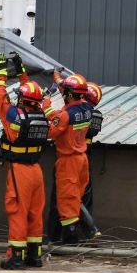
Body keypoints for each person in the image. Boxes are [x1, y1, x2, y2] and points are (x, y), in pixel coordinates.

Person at [0, 54, 50, 270]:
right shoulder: (42, 113)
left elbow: (0, 95)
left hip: (20, 171)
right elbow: (32, 92)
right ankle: (34, 256)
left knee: (17, 211)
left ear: (21, 99)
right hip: (37, 170)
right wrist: (21, 73)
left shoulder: (13, 115)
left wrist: (1, 71)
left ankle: (15, 257)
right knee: (35, 213)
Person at [47, 73, 94, 245]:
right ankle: (88, 231)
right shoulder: (88, 108)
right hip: (82, 159)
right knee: (76, 198)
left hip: (68, 160)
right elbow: (64, 116)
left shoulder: (65, 115)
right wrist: (58, 78)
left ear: (68, 94)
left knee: (67, 200)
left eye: (64, 91)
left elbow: (51, 131)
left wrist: (46, 105)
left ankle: (70, 240)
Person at [79, 82, 104, 239]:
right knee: (86, 196)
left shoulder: (81, 112)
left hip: (74, 153)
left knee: (73, 196)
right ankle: (87, 235)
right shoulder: (95, 113)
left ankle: (90, 230)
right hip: (87, 154)